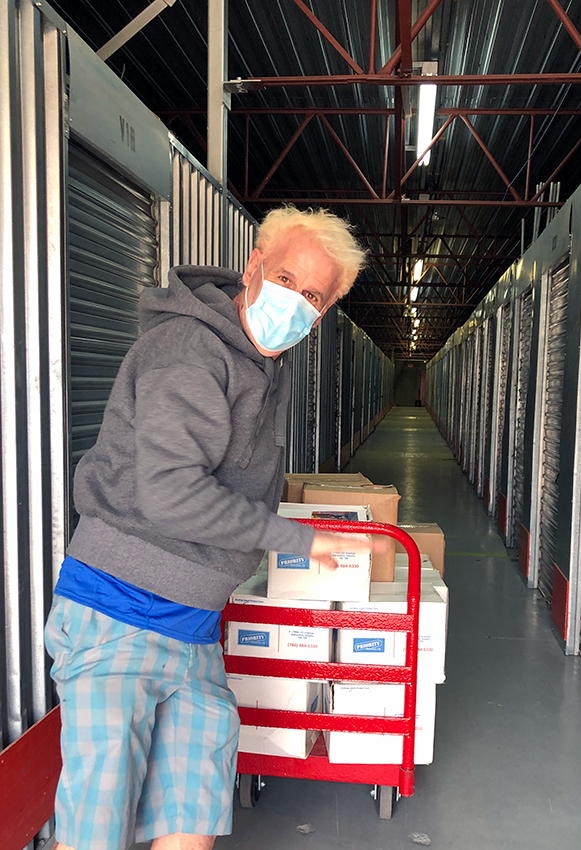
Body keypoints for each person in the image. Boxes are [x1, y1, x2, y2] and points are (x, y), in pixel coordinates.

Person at [45, 206, 367, 850]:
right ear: (253, 267)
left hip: (193, 629)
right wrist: (302, 540)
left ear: (325, 310)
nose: (295, 303)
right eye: (285, 279)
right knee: (95, 832)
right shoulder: (190, 348)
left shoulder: (260, 361)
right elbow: (171, 497)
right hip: (119, 614)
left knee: (191, 822)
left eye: (312, 296)